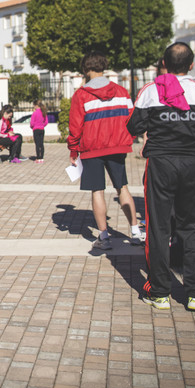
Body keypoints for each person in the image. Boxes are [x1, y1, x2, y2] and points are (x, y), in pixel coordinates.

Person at [126, 42, 195, 312]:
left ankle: (159, 292)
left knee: (158, 227)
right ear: (191, 65)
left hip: (160, 164)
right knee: (193, 226)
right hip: (192, 163)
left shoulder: (151, 91)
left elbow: (133, 125)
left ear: (164, 63)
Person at [67, 51, 143, 251]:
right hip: (117, 146)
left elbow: (75, 126)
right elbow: (131, 119)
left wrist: (73, 150)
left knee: (97, 191)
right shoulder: (121, 91)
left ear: (85, 70)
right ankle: (135, 231)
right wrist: (128, 139)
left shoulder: (81, 95)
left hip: (92, 148)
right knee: (122, 187)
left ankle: (104, 237)